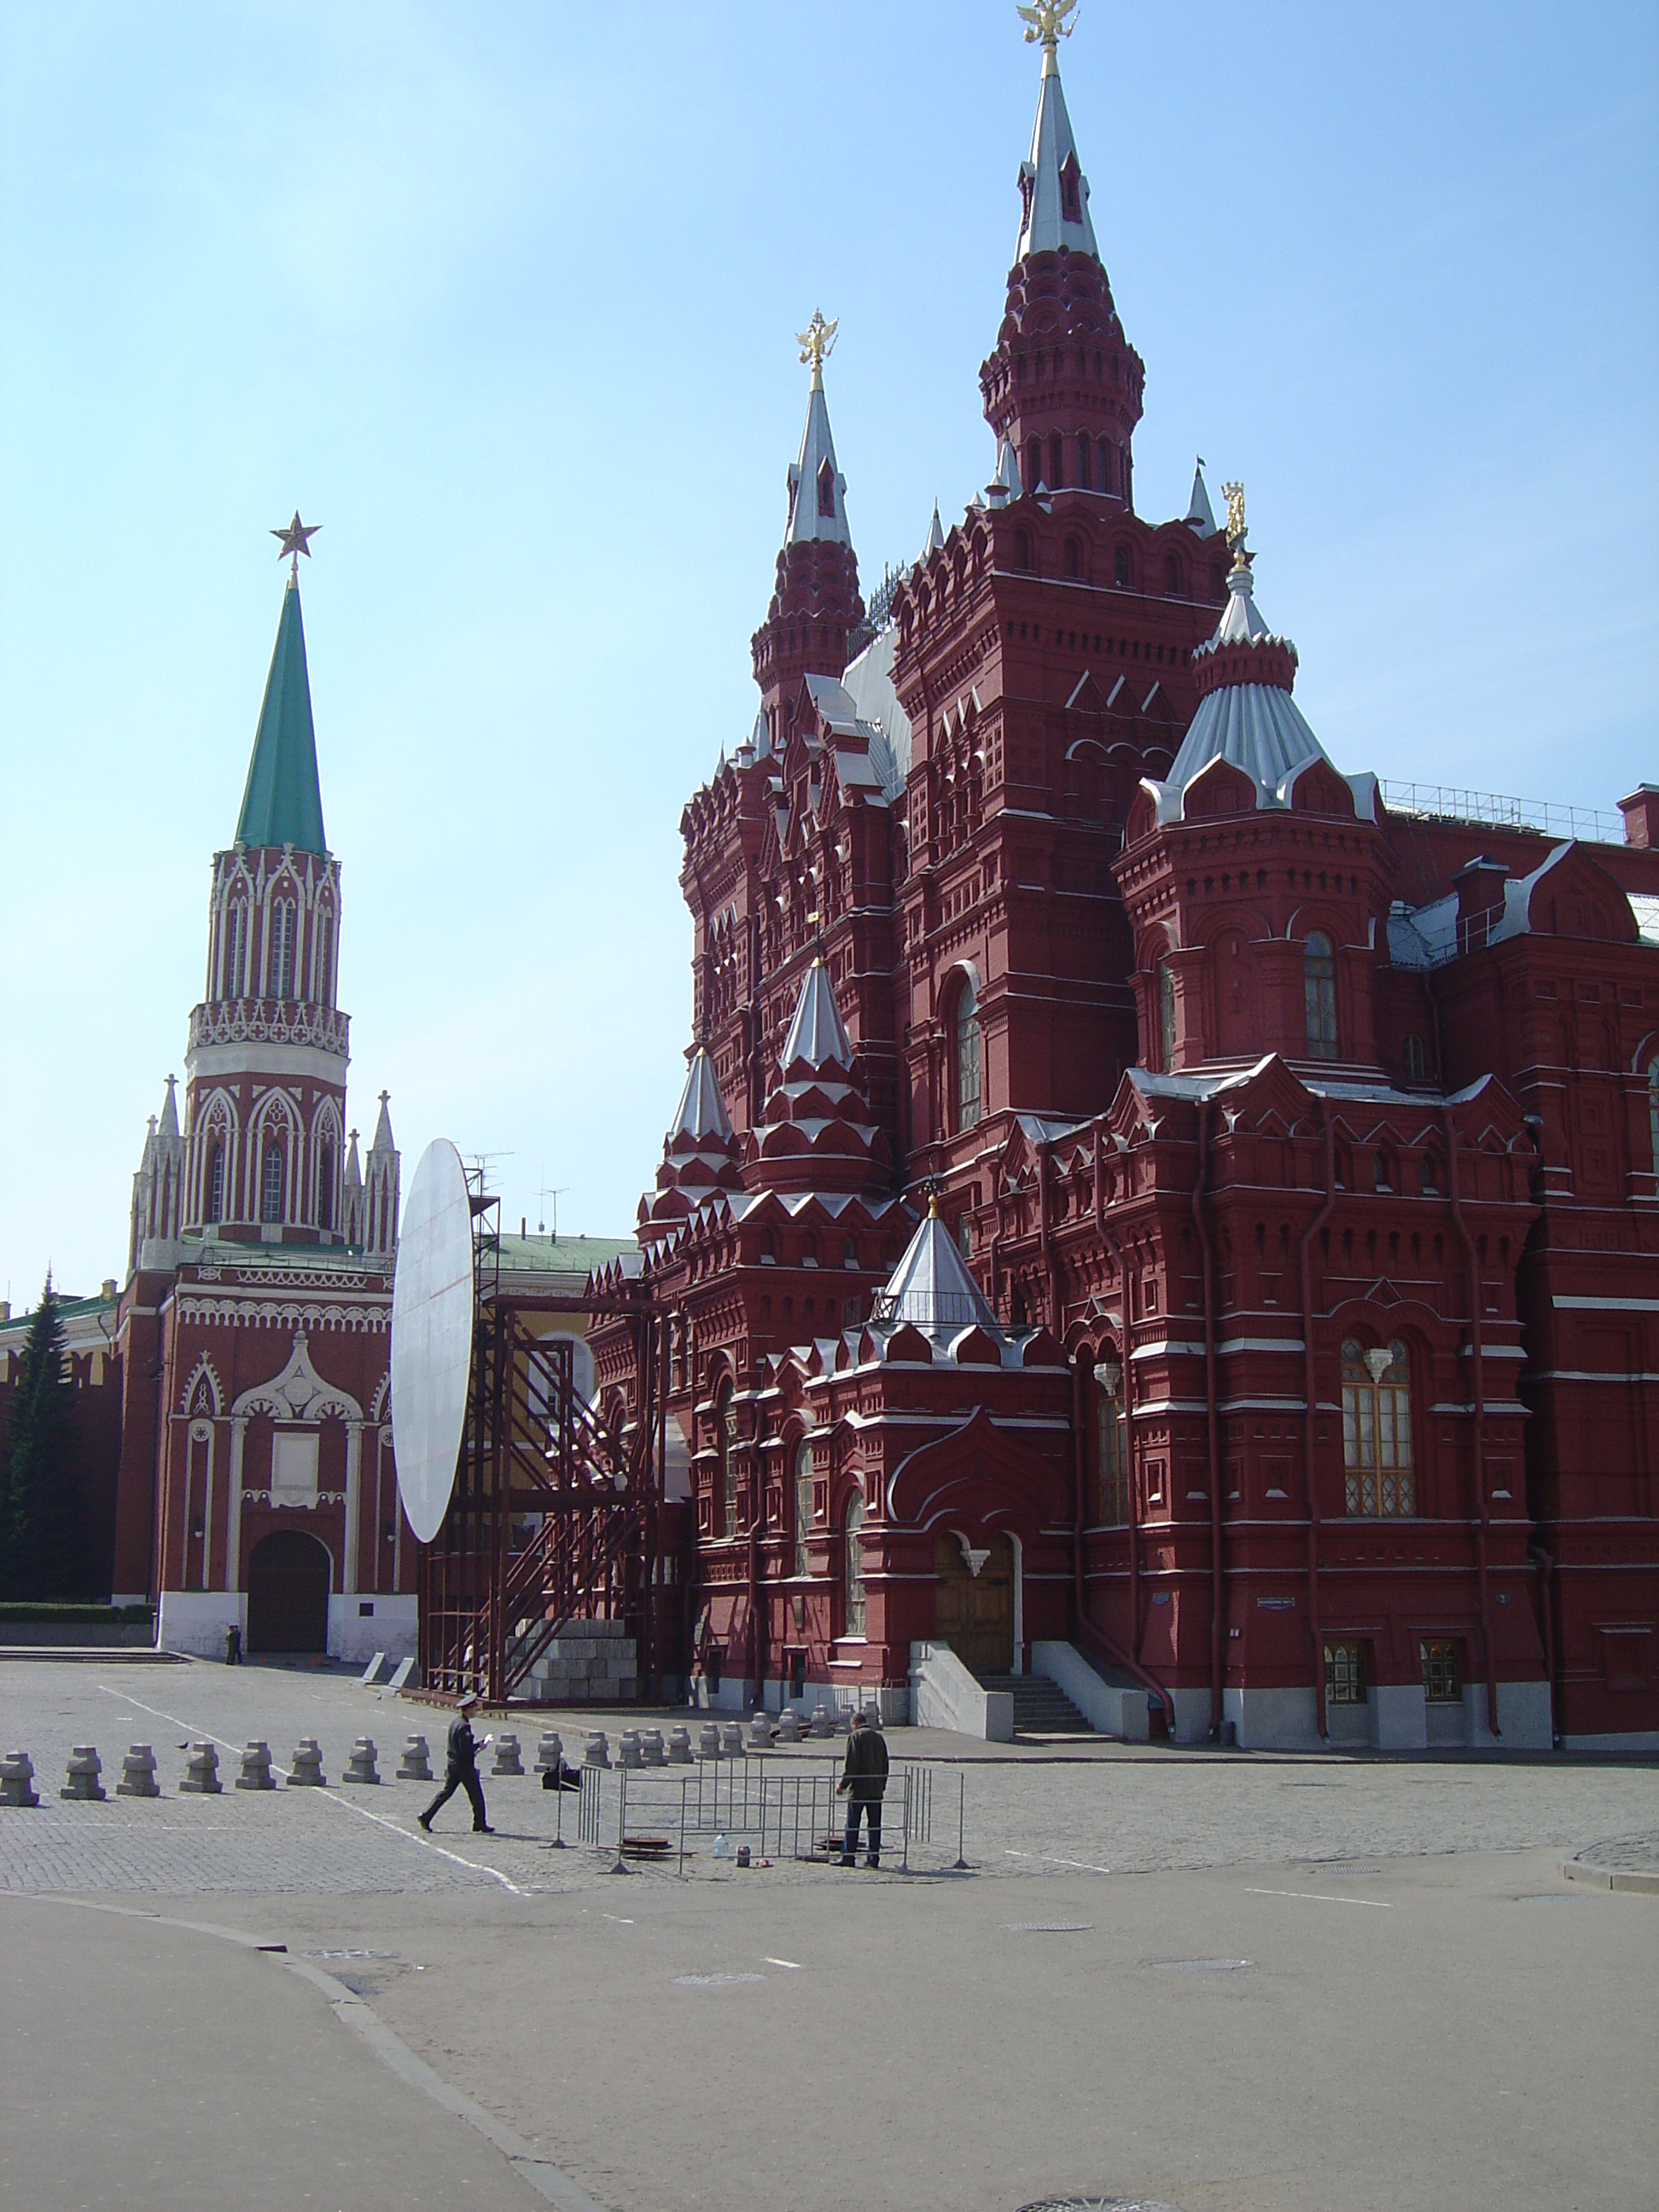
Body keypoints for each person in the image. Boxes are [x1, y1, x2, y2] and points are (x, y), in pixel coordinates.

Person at [418, 1692, 494, 1833]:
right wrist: (479, 1745)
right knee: (476, 1795)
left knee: (446, 1792)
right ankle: (479, 1824)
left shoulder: (455, 1722)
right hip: (463, 1766)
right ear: (468, 1709)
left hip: (453, 1764)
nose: (476, 1710)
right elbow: (465, 1749)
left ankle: (426, 1816)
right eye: (474, 1708)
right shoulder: (464, 1726)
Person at [836, 1709, 888, 1866]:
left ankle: (848, 1857)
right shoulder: (879, 1738)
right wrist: (881, 1785)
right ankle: (873, 1859)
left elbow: (851, 1765)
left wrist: (842, 1785)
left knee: (852, 1825)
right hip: (875, 1790)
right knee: (874, 1826)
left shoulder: (855, 1737)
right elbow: (885, 1764)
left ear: (855, 1724)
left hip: (858, 1790)